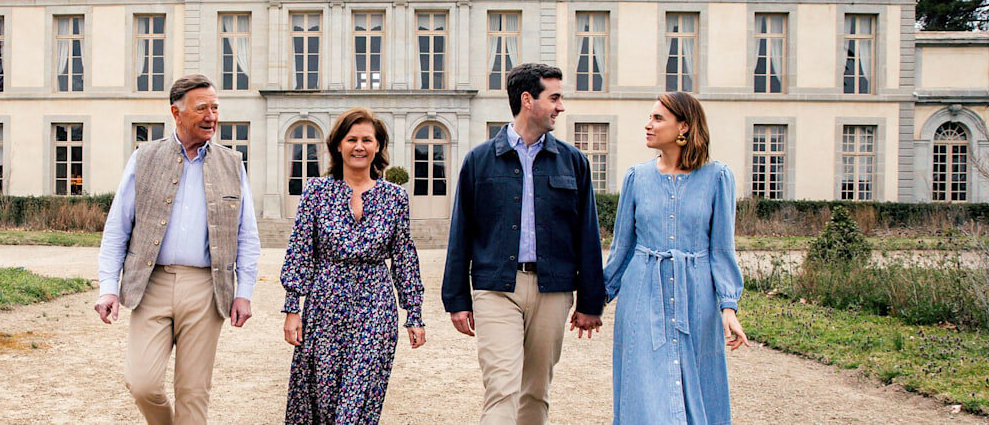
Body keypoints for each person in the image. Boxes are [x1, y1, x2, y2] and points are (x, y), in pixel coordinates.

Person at [442, 63, 604, 425]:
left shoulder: (574, 162)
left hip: (553, 291)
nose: (561, 106)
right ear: (528, 100)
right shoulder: (479, 161)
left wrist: (591, 301)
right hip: (496, 289)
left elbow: (587, 234)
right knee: (502, 388)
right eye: (555, 97)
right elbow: (461, 233)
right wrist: (457, 299)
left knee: (535, 391)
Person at [94, 74, 260, 425]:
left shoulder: (232, 163)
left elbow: (247, 235)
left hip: (206, 288)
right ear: (176, 112)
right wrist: (108, 287)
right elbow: (117, 228)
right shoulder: (144, 157)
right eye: (202, 109)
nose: (211, 116)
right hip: (150, 284)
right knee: (142, 384)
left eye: (215, 108)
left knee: (193, 392)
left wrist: (244, 292)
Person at [603, 92, 748, 425]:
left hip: (697, 300)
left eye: (658, 118)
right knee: (643, 388)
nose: (648, 124)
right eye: (650, 117)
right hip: (642, 296)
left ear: (683, 127)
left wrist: (728, 307)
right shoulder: (636, 177)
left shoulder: (718, 178)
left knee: (699, 385)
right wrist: (595, 300)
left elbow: (722, 249)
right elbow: (622, 248)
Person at [280, 107, 426, 424]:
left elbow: (403, 256)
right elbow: (300, 249)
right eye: (351, 139)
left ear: (378, 146)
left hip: (375, 308)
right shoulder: (316, 192)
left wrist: (414, 313)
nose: (359, 146)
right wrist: (292, 307)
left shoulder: (395, 197)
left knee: (359, 402)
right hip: (325, 308)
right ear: (338, 145)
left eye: (367, 140)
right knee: (322, 399)